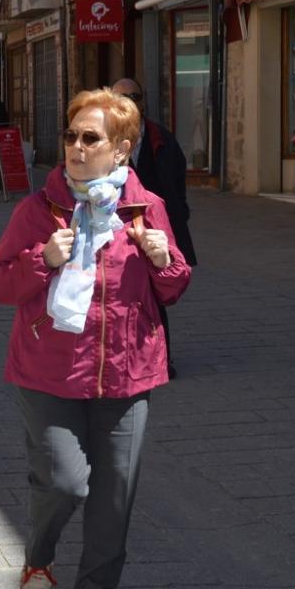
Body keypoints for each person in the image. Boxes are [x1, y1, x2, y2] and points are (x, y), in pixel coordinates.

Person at [0, 88, 191, 589]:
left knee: (114, 499)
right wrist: (42, 261)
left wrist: (164, 260)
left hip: (127, 373)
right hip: (48, 372)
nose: (76, 147)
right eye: (71, 136)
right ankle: (39, 558)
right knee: (64, 484)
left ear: (120, 149)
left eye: (90, 138)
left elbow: (173, 288)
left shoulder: (146, 209)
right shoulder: (39, 210)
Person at [110, 78, 195, 378]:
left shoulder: (160, 137)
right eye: (123, 96)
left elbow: (177, 179)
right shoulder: (103, 137)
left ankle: (161, 359)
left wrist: (176, 216)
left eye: (135, 96)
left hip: (156, 227)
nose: (130, 101)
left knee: (157, 297)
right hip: (118, 231)